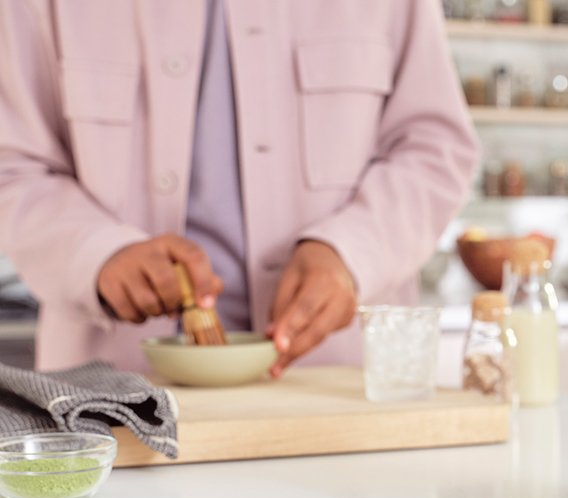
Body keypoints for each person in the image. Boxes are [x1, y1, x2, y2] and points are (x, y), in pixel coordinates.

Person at [0, 0, 478, 376]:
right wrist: (98, 254)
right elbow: (13, 166)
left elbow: (435, 147)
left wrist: (350, 252)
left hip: (336, 391)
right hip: (115, 396)